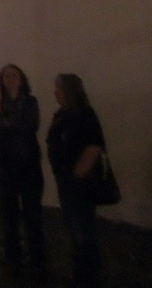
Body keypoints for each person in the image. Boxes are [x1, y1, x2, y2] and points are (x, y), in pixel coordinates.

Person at [46, 73, 107, 288]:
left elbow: (93, 146)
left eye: (58, 89)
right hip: (66, 179)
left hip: (79, 182)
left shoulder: (84, 114)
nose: (55, 93)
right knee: (75, 228)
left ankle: (89, 276)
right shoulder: (62, 114)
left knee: (83, 229)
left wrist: (76, 175)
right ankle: (81, 272)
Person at [0, 64, 45, 277]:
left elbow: (28, 126)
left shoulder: (30, 102)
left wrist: (5, 120)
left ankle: (37, 256)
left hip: (27, 164)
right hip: (5, 164)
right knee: (9, 212)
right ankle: (13, 255)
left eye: (14, 75)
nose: (10, 79)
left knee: (32, 213)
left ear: (21, 79)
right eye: (6, 76)